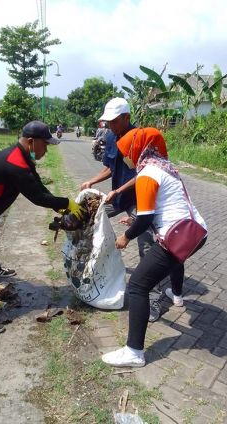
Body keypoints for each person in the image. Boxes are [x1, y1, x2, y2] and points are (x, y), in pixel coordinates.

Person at [0, 121, 84, 335]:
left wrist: (60, 205)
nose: (46, 149)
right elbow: (38, 197)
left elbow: (38, 186)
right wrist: (66, 203)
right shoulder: (16, 163)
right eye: (44, 144)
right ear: (31, 142)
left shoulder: (23, 158)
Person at [102, 128, 207, 367]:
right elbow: (161, 208)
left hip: (177, 236)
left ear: (135, 149)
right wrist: (135, 220)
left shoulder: (148, 173)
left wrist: (126, 236)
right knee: (174, 261)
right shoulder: (164, 167)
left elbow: (146, 218)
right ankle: (176, 295)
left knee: (138, 285)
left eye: (126, 153)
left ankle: (134, 352)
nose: (126, 158)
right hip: (195, 233)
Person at [80, 98, 160, 320]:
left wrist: (119, 190)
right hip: (118, 197)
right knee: (90, 217)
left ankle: (153, 298)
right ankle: (89, 267)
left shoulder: (141, 139)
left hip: (140, 199)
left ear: (126, 117)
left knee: (147, 247)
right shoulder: (109, 136)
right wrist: (92, 181)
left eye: (114, 122)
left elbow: (144, 173)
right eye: (108, 122)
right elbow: (109, 167)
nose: (110, 126)